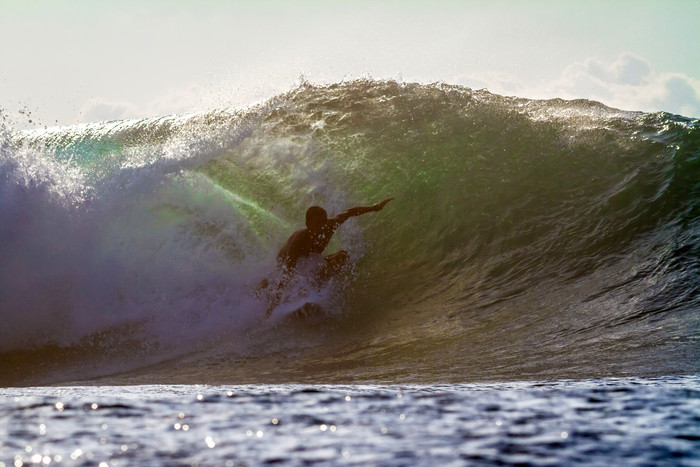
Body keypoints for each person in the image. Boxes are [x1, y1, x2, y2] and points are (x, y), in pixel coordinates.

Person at [276, 198, 394, 282]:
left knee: (343, 256)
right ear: (308, 224)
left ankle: (319, 286)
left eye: (324, 221)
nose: (322, 226)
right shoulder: (298, 240)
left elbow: (349, 213)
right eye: (318, 223)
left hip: (309, 261)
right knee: (293, 282)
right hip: (286, 263)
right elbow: (287, 272)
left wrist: (375, 207)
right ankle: (312, 288)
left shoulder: (330, 225)